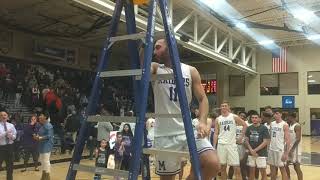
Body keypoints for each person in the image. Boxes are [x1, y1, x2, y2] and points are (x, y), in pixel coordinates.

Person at [141, 38, 220, 180]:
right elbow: (143, 69)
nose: (154, 51)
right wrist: (143, 46)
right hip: (164, 133)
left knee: (212, 163)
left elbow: (203, 99)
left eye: (158, 47)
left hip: (188, 129)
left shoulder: (191, 70)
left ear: (170, 47)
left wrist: (202, 121)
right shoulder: (155, 67)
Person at [213, 102, 247, 180]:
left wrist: (241, 137)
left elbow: (244, 125)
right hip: (221, 144)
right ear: (220, 107)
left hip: (232, 145)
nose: (224, 107)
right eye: (222, 106)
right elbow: (215, 133)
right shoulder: (218, 119)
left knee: (237, 168)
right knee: (222, 168)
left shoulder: (234, 117)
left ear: (228, 107)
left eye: (225, 106)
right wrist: (214, 146)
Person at [245, 111, 270, 180]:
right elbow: (246, 140)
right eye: (252, 118)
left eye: (256, 118)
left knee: (263, 172)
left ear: (259, 119)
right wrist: (251, 150)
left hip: (261, 153)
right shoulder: (249, 128)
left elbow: (265, 141)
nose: (254, 119)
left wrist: (255, 150)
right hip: (251, 153)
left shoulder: (264, 128)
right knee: (251, 172)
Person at [268, 109, 290, 180]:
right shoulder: (272, 124)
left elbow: (287, 140)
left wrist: (286, 153)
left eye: (277, 113)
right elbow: (270, 137)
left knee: (282, 170)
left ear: (281, 114)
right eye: (274, 114)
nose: (275, 115)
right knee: (272, 169)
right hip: (272, 149)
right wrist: (268, 148)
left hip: (280, 150)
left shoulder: (285, 125)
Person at [228, 111, 249, 180]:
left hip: (243, 146)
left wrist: (245, 144)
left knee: (243, 164)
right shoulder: (233, 124)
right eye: (241, 116)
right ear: (238, 116)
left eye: (244, 116)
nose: (242, 117)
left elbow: (247, 137)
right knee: (232, 164)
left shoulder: (247, 125)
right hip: (233, 146)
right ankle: (229, 178)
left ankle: (244, 178)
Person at [34, 112, 54, 180]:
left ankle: (47, 176)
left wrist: (40, 138)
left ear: (45, 117)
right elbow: (40, 134)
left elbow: (49, 136)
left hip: (47, 145)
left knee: (46, 161)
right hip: (41, 145)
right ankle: (44, 175)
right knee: (42, 160)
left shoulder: (49, 125)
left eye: (41, 115)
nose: (39, 117)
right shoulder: (42, 125)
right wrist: (37, 136)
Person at [285, 112, 303, 180]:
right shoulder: (290, 125)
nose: (286, 118)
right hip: (290, 149)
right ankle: (288, 178)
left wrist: (292, 150)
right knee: (285, 164)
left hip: (296, 150)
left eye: (287, 117)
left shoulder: (297, 126)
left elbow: (298, 139)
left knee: (296, 167)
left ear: (291, 117)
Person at [0, 111, 16, 180]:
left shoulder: (11, 125)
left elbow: (15, 136)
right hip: (1, 148)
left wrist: (11, 136)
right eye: (1, 115)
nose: (3, 116)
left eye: (5, 115)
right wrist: (5, 133)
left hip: (10, 147)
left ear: (7, 116)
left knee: (10, 166)